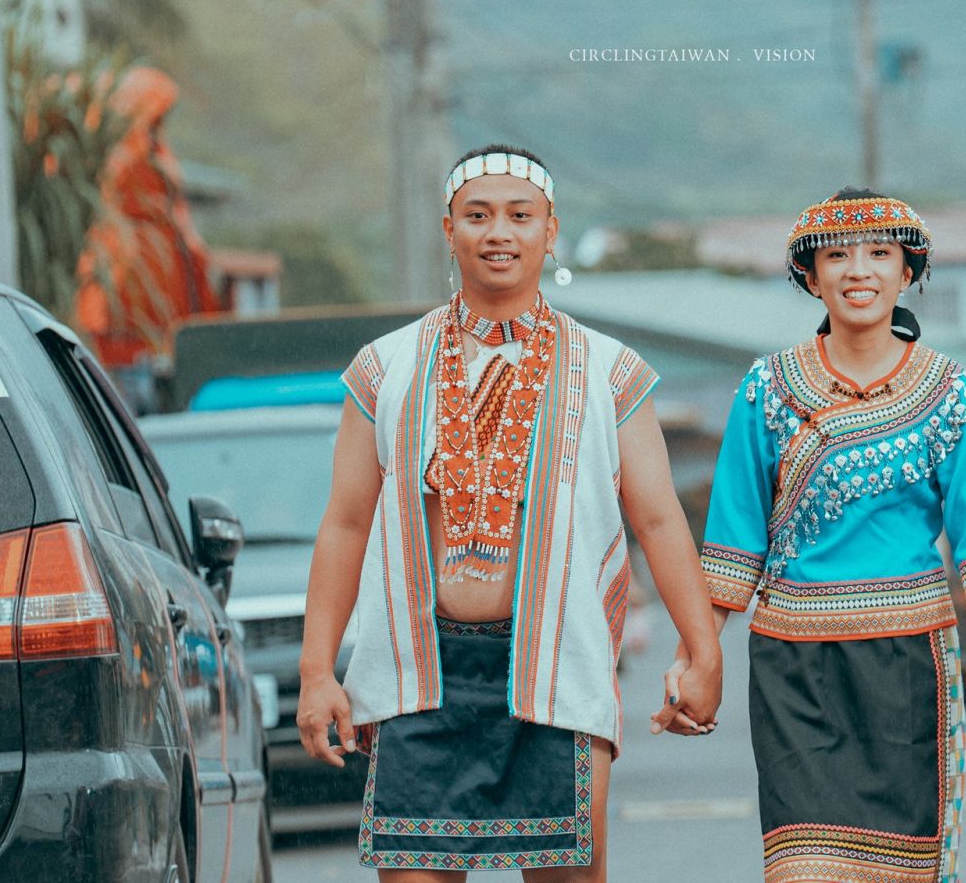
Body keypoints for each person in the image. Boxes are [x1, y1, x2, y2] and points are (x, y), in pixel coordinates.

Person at [296, 145, 722, 880]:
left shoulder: (608, 371)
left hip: (557, 672)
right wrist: (315, 673)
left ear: (550, 231)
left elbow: (657, 521)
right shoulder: (385, 366)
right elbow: (345, 523)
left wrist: (703, 651)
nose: (499, 232)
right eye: (478, 215)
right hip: (416, 678)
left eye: (520, 215)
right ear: (449, 230)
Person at [665, 187, 966, 883]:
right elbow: (733, 544)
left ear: (908, 271)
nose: (860, 271)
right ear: (810, 275)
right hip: (793, 667)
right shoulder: (767, 389)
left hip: (907, 664)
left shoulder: (952, 393)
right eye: (838, 256)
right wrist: (695, 658)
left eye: (880, 254)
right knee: (803, 870)